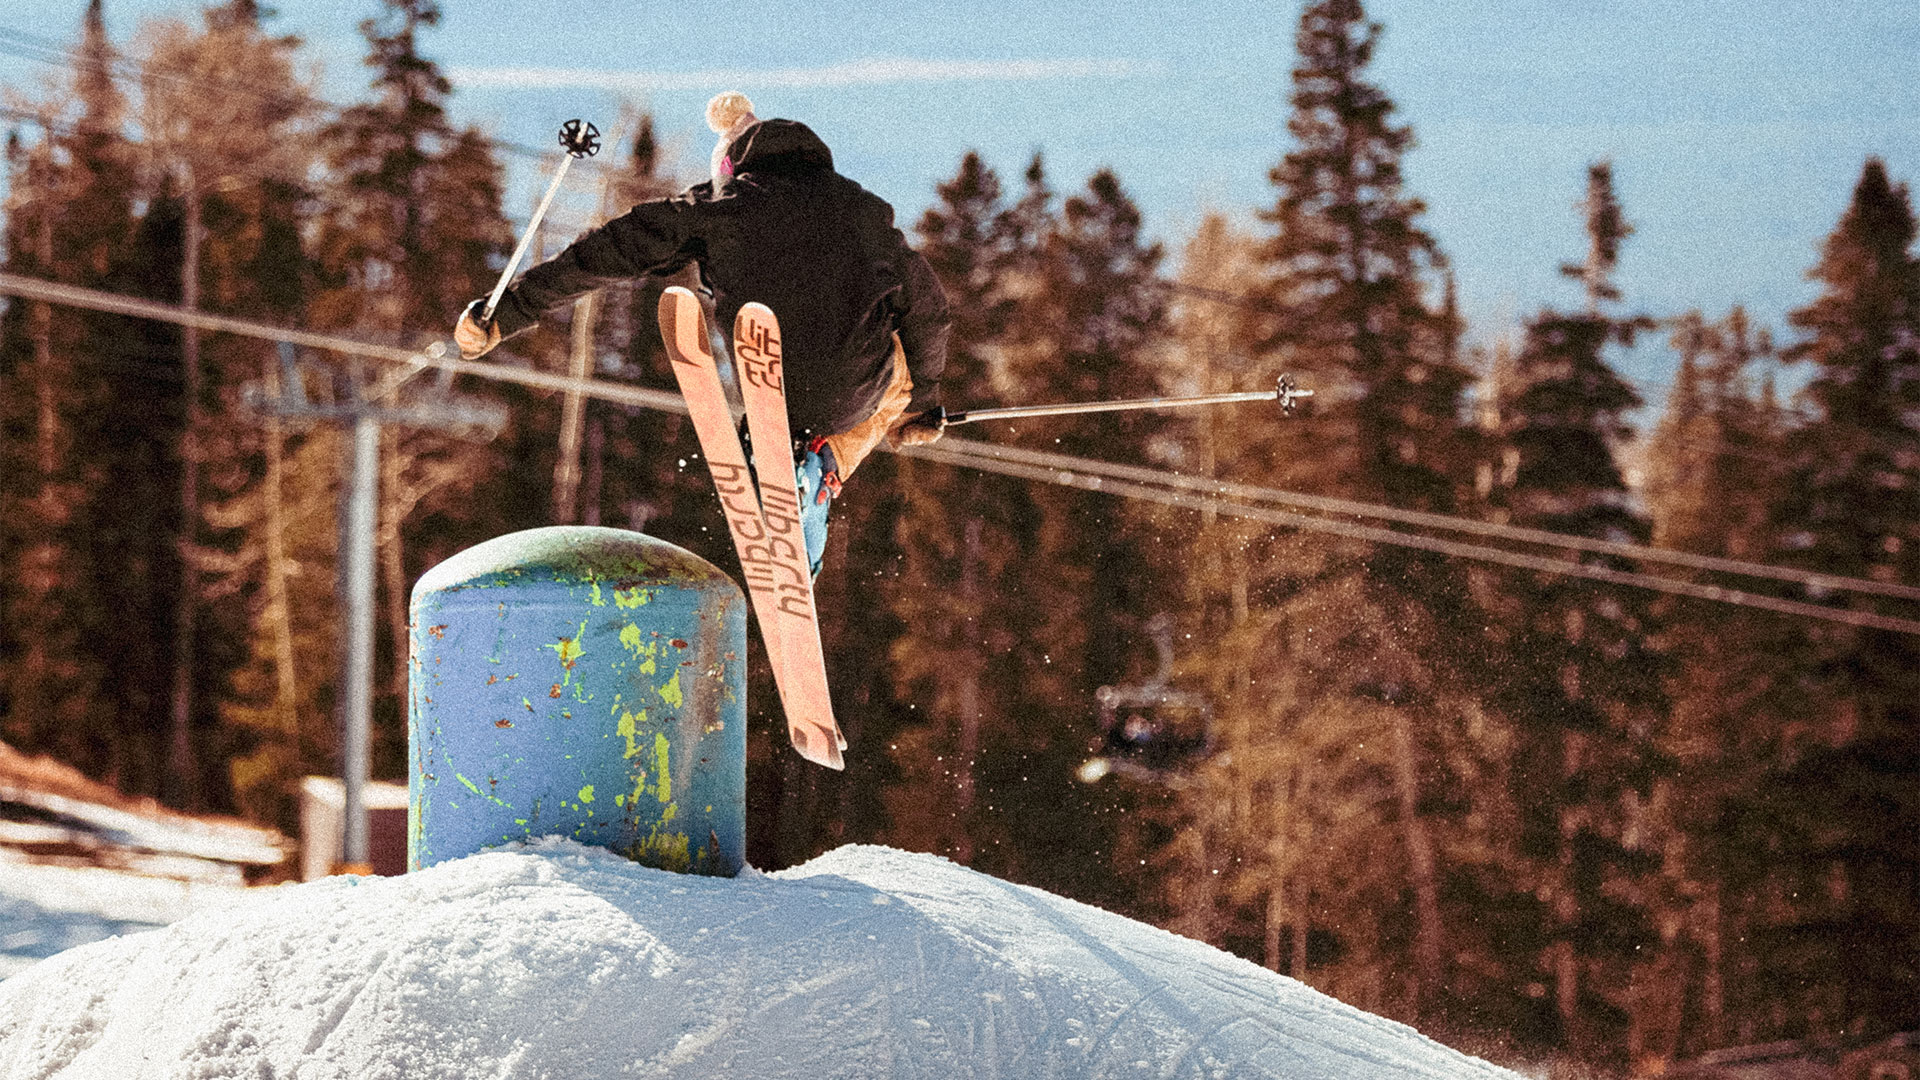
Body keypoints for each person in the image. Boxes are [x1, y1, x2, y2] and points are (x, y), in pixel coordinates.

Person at [455, 92, 951, 574]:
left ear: (730, 166)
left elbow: (614, 248)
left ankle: (792, 463)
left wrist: (510, 309)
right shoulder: (865, 213)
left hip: (771, 375)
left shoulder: (722, 204)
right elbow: (928, 308)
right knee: (899, 379)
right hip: (853, 391)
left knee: (804, 397)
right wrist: (922, 402)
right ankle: (819, 475)